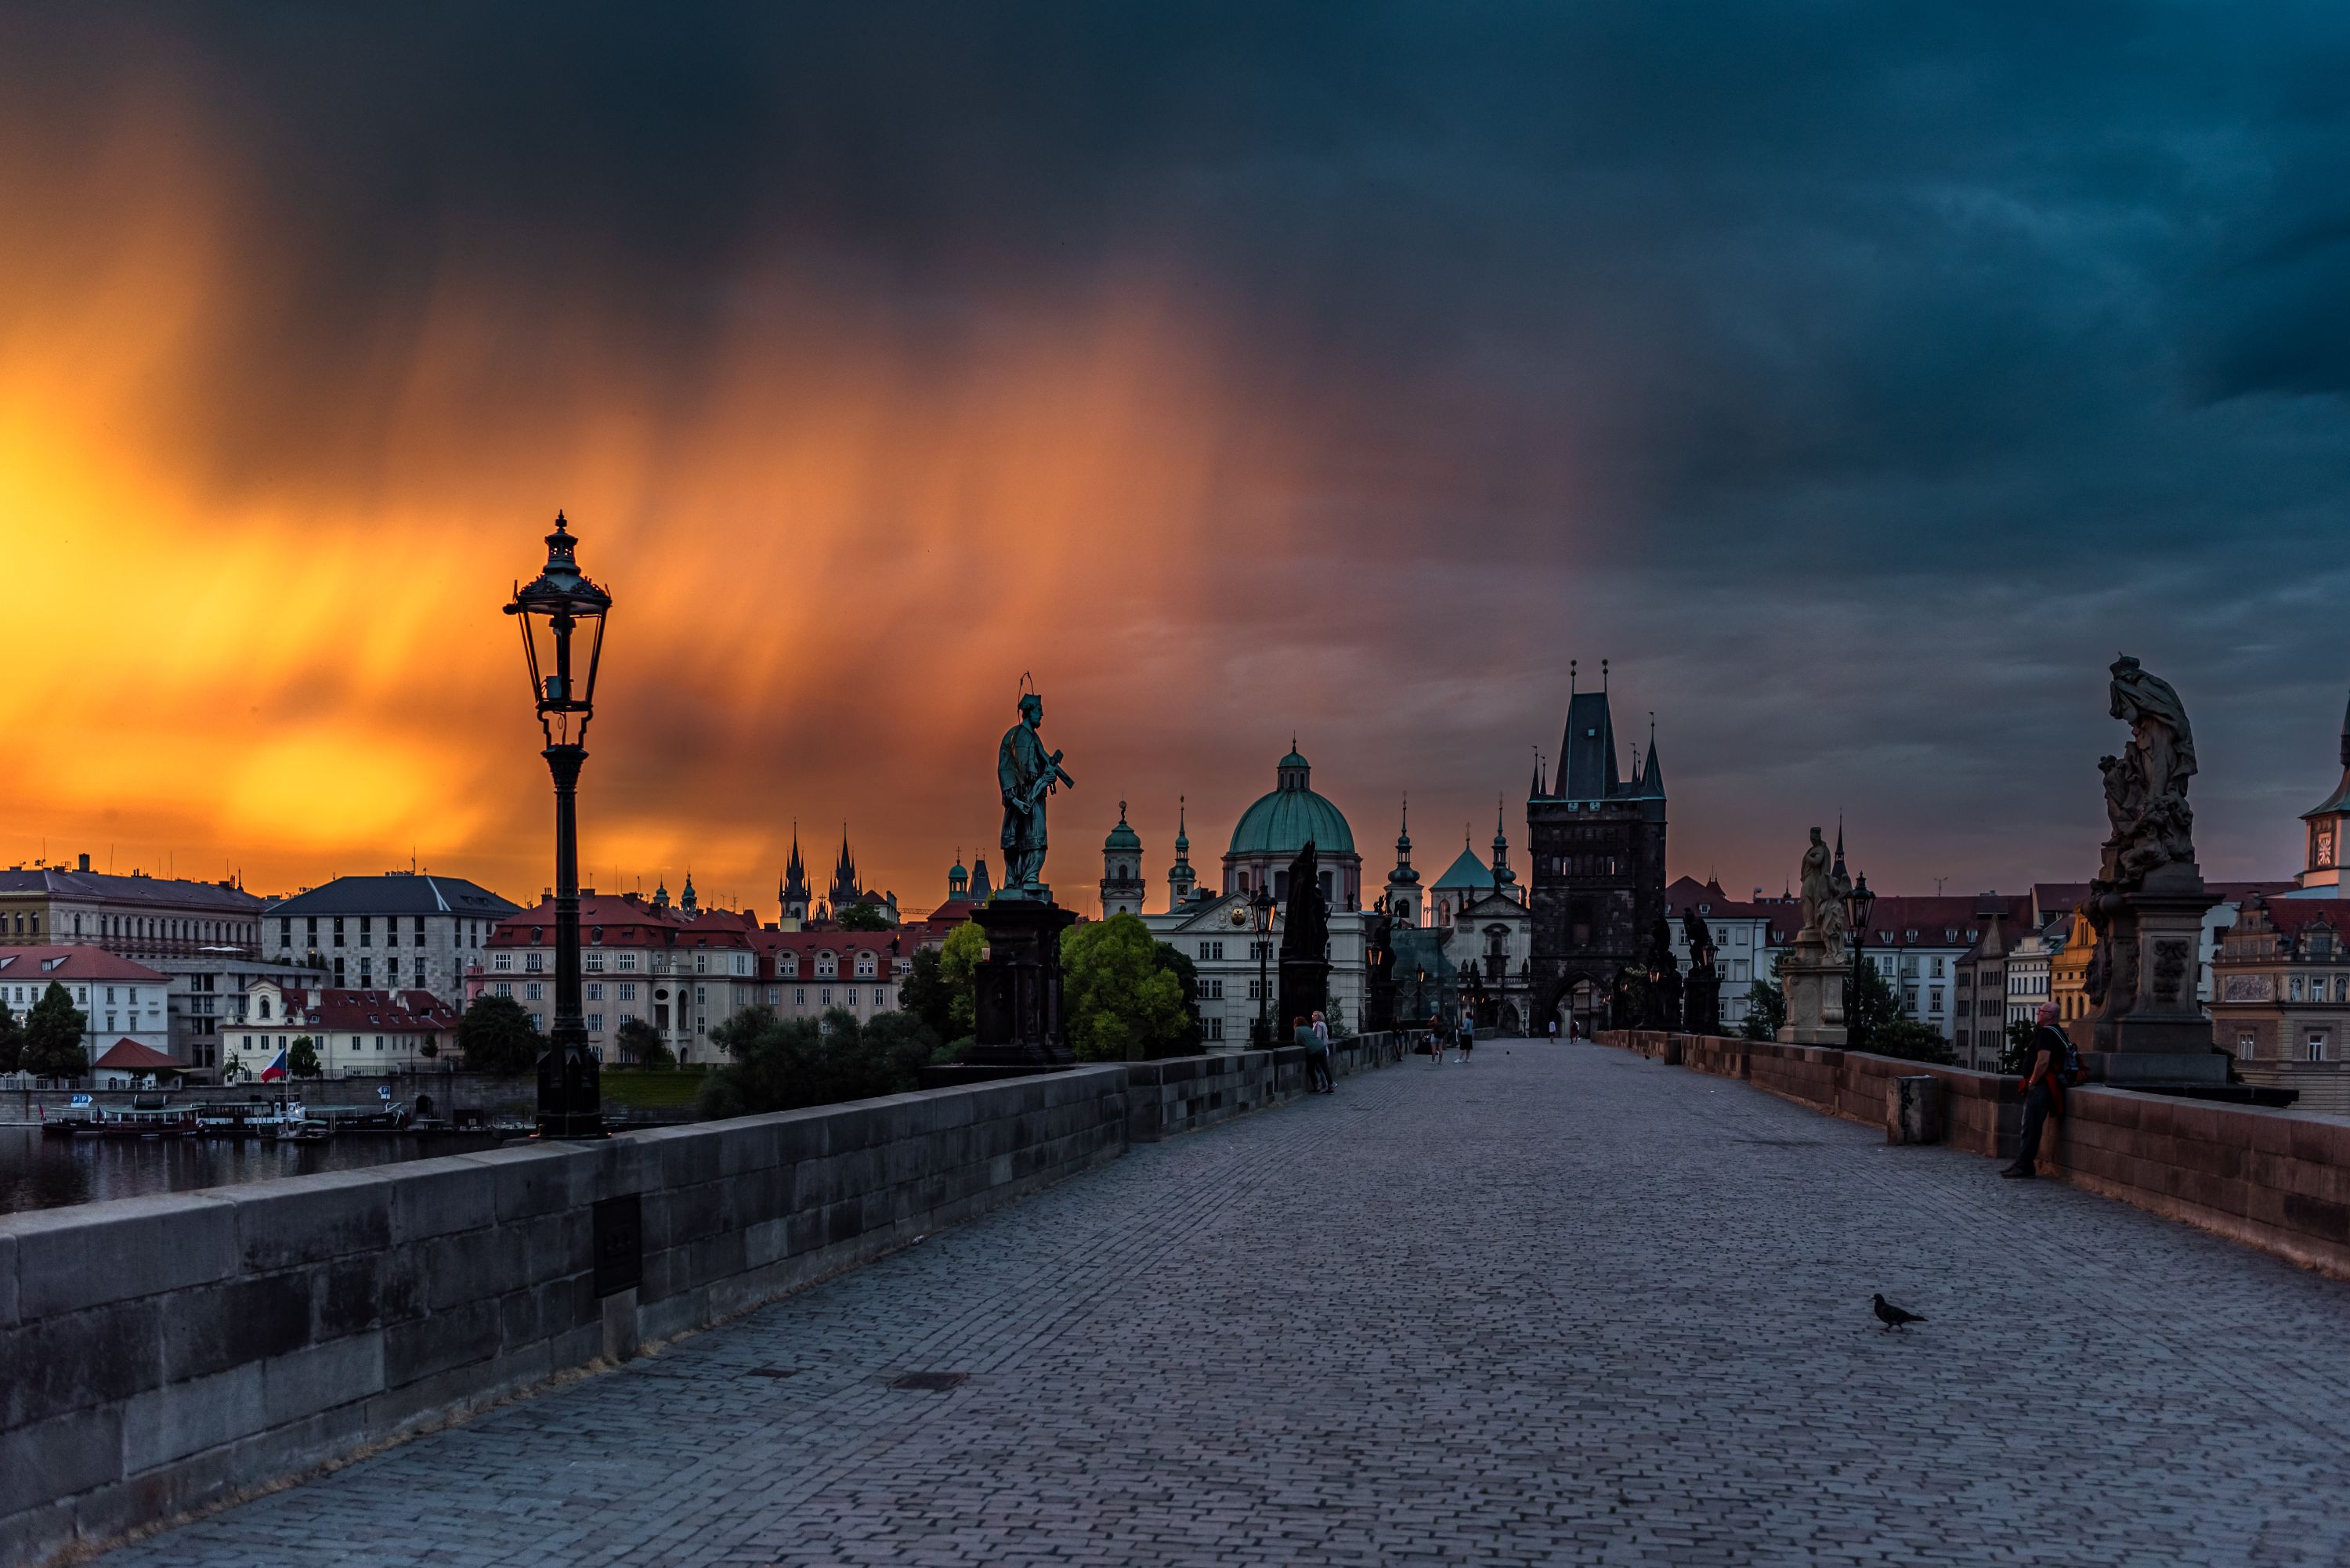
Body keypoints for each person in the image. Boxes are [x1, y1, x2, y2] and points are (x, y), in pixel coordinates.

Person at [2001, 1000, 2071, 1179]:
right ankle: (2021, 1162)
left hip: (2041, 1087)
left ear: (2049, 1015)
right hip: (2047, 1085)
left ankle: (2025, 1165)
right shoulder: (2059, 1032)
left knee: (2030, 1126)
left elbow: (2043, 1061)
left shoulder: (2046, 1034)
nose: (2037, 1014)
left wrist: (2032, 1081)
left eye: (2040, 1011)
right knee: (2030, 1126)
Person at [1295, 1014, 1333, 1094]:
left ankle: (1317, 1087)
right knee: (1325, 1068)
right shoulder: (1308, 1028)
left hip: (1314, 1050)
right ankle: (1330, 1086)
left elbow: (1297, 1042)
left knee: (1310, 1068)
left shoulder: (1297, 1029)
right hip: (1322, 1047)